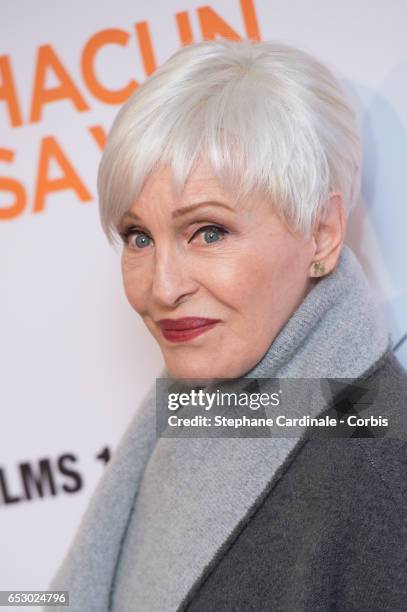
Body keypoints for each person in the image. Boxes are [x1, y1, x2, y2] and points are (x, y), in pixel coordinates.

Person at [47, 39, 407, 611]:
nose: (162, 287)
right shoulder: (189, 419)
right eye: (139, 237)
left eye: (208, 232)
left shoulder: (382, 468)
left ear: (323, 233)